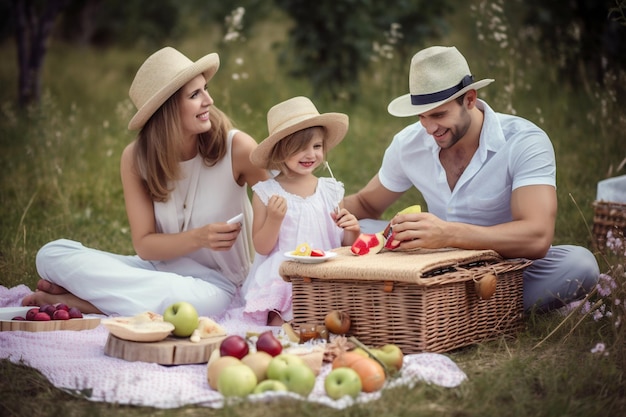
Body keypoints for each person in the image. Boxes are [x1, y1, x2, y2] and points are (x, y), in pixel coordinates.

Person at [343, 46, 600, 312]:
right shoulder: (409, 144)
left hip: (507, 268)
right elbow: (366, 203)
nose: (430, 128)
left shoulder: (524, 141)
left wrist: (447, 233)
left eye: (439, 115)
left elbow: (537, 237)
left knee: (580, 264)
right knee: (352, 229)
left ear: (469, 99)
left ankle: (440, 307)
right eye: (422, 116)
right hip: (434, 264)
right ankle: (472, 309)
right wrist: (311, 204)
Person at [22, 47, 269, 317]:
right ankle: (116, 297)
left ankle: (82, 301)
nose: (209, 100)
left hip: (217, 285)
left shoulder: (237, 148)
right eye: (195, 94)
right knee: (51, 254)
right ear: (168, 109)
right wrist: (200, 237)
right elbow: (145, 246)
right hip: (155, 271)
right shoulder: (136, 158)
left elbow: (281, 204)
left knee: (192, 303)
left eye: (205, 89)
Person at [242, 96, 360, 325]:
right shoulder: (267, 193)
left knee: (333, 320)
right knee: (281, 321)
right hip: (285, 274)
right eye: (300, 148)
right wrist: (274, 219)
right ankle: (282, 330)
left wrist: (352, 231)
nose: (310, 155)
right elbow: (262, 247)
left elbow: (344, 246)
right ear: (279, 152)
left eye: (317, 146)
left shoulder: (331, 190)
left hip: (326, 273)